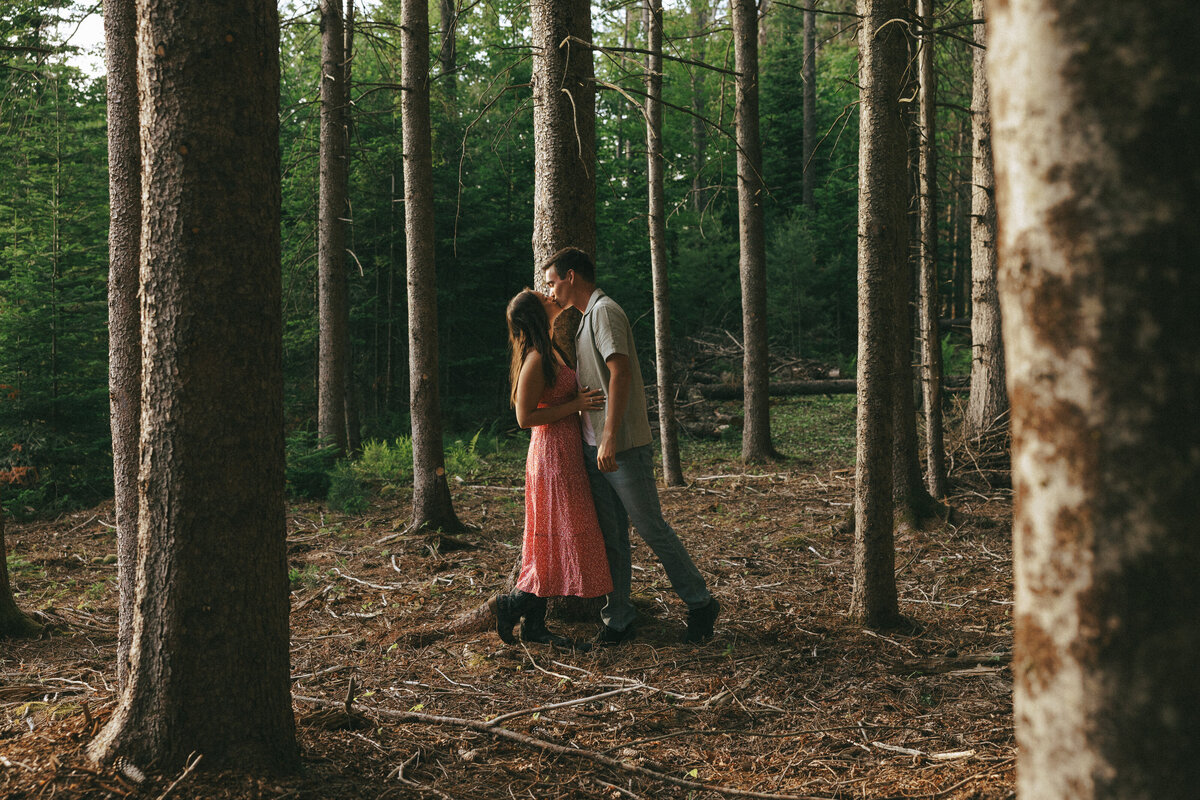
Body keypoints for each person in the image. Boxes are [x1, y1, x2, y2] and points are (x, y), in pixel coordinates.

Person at [542, 247, 720, 645]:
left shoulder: (604, 311)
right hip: (596, 449)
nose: (550, 291)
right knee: (611, 537)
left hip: (620, 447)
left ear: (572, 276)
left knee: (651, 527)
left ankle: (700, 602)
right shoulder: (585, 318)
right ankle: (618, 619)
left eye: (553, 282)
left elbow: (619, 372)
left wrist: (608, 437)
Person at [496, 288, 612, 648]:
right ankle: (512, 604)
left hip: (565, 452)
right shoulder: (534, 358)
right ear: (535, 311)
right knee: (553, 532)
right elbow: (524, 417)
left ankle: (534, 624)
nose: (549, 293)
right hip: (550, 456)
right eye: (540, 294)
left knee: (552, 536)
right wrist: (575, 404)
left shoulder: (550, 348)